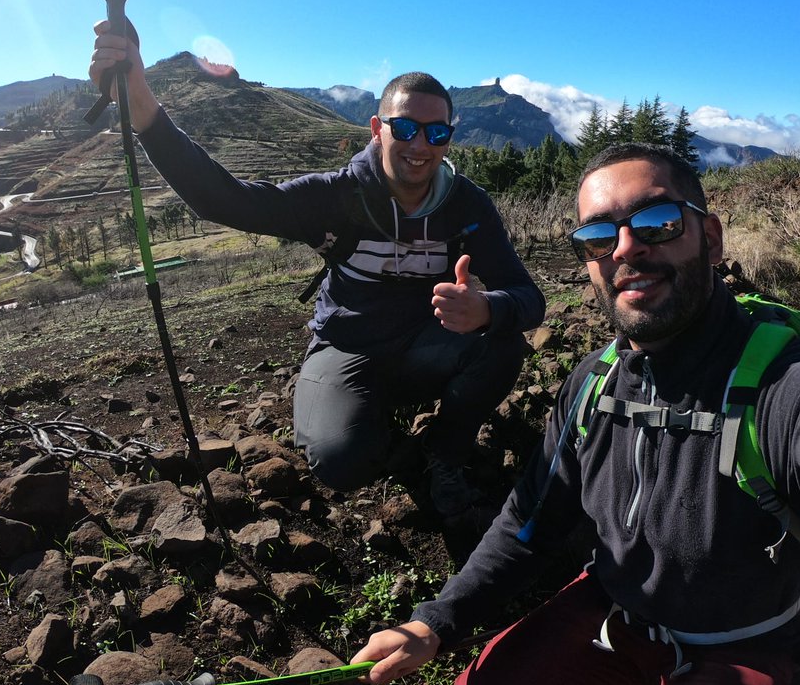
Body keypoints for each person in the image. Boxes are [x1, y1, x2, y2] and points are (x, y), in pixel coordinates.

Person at [353, 142, 800, 685]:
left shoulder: (786, 386)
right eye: (598, 236)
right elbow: (530, 519)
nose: (624, 248)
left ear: (709, 238)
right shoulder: (593, 383)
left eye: (656, 224)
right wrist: (435, 621)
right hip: (614, 612)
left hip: (745, 640)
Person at [89, 27, 545, 519]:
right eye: (405, 128)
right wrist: (141, 108)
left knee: (501, 342)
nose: (421, 144)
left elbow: (528, 298)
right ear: (377, 129)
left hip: (426, 348)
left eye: (437, 133)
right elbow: (222, 199)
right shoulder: (334, 196)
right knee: (339, 462)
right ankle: (387, 440)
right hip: (348, 345)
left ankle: (445, 452)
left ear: (448, 137)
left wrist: (485, 309)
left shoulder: (467, 205)